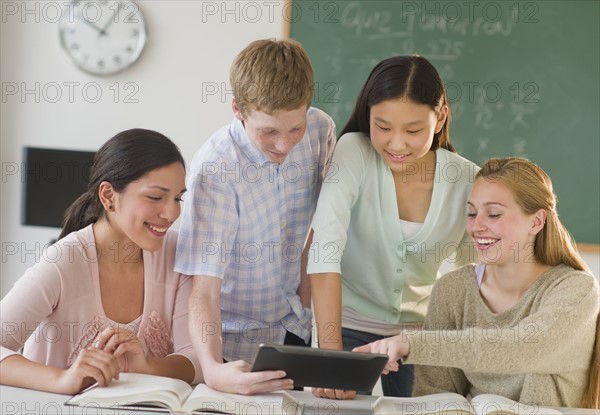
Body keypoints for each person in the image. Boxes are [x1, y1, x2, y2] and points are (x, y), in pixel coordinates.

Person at [356, 157, 600, 408]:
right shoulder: (453, 290)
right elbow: (432, 397)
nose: (476, 227)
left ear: (536, 221)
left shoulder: (576, 290)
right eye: (472, 213)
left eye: (493, 214)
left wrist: (411, 343)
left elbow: (523, 348)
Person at [308, 55, 479, 399]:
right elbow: (325, 249)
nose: (396, 144)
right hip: (345, 323)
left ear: (441, 116)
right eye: (382, 127)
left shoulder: (466, 179)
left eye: (413, 130)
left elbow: (472, 278)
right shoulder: (354, 151)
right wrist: (331, 358)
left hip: (419, 336)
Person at [175, 38, 336, 395]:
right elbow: (203, 289)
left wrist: (307, 305)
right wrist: (214, 369)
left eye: (294, 128)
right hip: (231, 344)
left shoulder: (320, 131)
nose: (284, 145)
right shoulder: (216, 169)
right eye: (269, 132)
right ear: (238, 109)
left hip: (295, 327)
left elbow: (320, 232)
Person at [0, 129, 203, 394]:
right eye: (155, 197)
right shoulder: (64, 261)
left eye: (177, 198)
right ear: (108, 196)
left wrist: (147, 366)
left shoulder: (178, 253)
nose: (171, 212)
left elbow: (197, 360)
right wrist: (62, 380)